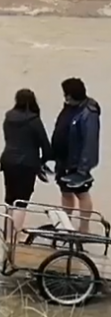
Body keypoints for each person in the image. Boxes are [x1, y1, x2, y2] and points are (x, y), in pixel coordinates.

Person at [0, 89, 52, 242]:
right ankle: (16, 236)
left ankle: (7, 234)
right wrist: (42, 161)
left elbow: (8, 138)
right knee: (21, 201)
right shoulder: (34, 121)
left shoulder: (8, 118)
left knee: (10, 199)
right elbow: (46, 147)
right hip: (27, 164)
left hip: (8, 160)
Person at [52, 78, 101, 234]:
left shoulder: (89, 112)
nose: (65, 98)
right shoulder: (69, 108)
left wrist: (83, 167)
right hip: (64, 159)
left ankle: (84, 229)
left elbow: (90, 141)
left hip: (77, 161)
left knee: (82, 192)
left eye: (67, 95)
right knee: (66, 192)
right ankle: (66, 225)